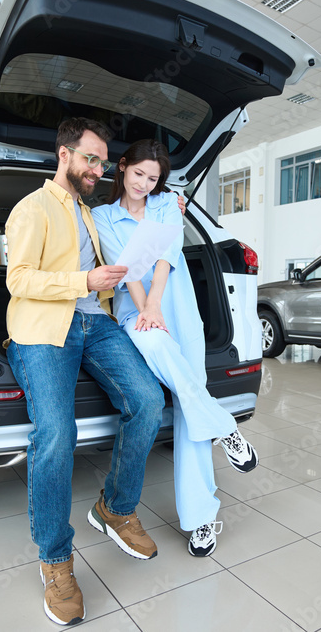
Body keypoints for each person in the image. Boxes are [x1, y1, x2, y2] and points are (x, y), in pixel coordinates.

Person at [4, 118, 165, 626]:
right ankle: (56, 560)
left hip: (96, 321)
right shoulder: (31, 209)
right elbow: (18, 278)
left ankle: (115, 507)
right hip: (44, 330)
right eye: (90, 158)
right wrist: (83, 279)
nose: (98, 168)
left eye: (102, 160)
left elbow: (136, 209)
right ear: (65, 154)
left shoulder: (89, 213)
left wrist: (112, 280)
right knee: (56, 432)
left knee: (149, 401)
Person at [92, 139, 258, 559]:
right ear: (122, 167)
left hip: (179, 307)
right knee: (156, 345)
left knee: (188, 401)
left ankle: (201, 519)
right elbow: (122, 266)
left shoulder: (167, 203)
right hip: (135, 310)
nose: (145, 185)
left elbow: (164, 258)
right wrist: (146, 307)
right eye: (138, 175)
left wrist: (157, 303)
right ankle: (224, 425)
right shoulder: (102, 216)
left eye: (153, 178)